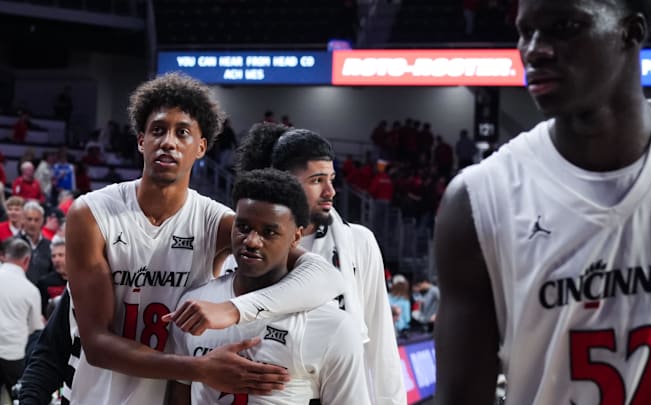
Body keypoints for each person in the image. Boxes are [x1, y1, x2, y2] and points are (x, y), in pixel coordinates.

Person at [434, 0, 651, 403]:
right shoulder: (476, 201)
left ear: (631, 31)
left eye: (563, 26)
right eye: (525, 31)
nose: (534, 49)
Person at [64, 73, 345, 405]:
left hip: (174, 396)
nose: (168, 141)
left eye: (182, 132)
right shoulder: (91, 213)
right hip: (100, 395)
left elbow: (326, 277)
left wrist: (234, 309)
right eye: (158, 130)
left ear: (201, 147)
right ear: (141, 141)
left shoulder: (216, 221)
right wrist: (199, 368)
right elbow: (96, 344)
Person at [235, 123, 406, 405]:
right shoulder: (244, 242)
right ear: (284, 181)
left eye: (332, 179)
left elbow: (380, 343)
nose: (331, 191)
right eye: (317, 180)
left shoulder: (359, 243)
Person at [168, 169, 370, 405]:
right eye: (243, 227)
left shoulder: (334, 327)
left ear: (296, 237)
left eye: (269, 232)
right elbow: (179, 393)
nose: (252, 241)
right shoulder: (195, 303)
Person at [0, 238, 44, 399]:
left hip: (11, 352)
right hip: (13, 355)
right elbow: (35, 328)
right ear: (26, 260)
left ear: (4, 255)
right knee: (19, 398)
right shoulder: (30, 290)